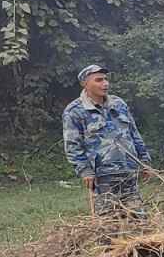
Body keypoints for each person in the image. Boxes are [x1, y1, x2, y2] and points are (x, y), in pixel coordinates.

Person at [62, 64, 151, 218]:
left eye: (105, 79)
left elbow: (134, 133)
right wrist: (84, 170)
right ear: (85, 83)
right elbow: (72, 146)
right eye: (98, 80)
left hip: (128, 172)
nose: (105, 83)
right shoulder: (75, 111)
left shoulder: (118, 104)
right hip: (103, 178)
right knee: (108, 225)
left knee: (139, 220)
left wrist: (144, 161)